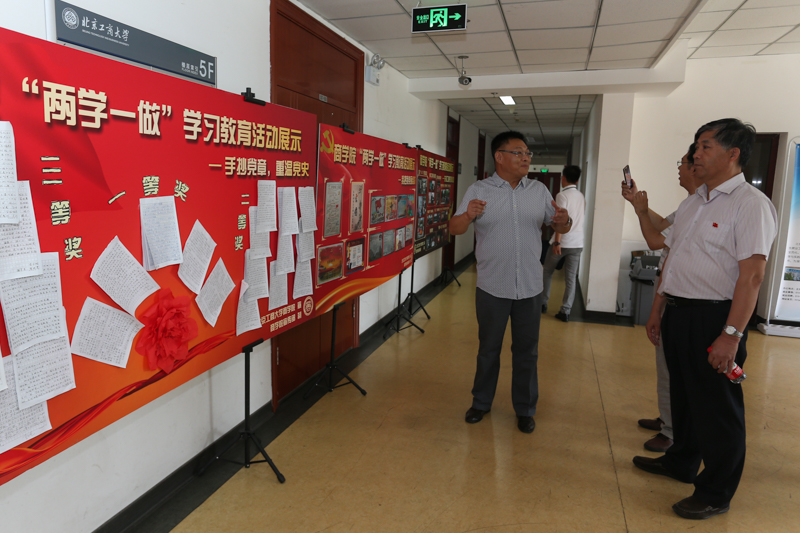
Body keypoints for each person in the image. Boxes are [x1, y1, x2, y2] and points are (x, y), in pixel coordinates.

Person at [632, 119, 777, 520]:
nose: (696, 154)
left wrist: (731, 335)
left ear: (733, 154)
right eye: (696, 146)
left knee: (716, 409)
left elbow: (752, 276)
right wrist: (660, 309)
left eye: (705, 146)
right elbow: (671, 255)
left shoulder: (751, 205)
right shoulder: (694, 202)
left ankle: (715, 491)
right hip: (679, 313)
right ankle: (681, 461)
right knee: (684, 398)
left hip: (715, 318)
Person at [449, 131, 572, 434]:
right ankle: (481, 402)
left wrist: (564, 222)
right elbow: (455, 228)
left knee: (527, 352)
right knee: (488, 349)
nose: (526, 158)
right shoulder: (479, 190)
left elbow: (561, 223)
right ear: (499, 157)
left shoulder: (539, 190)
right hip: (492, 286)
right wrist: (468, 214)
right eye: (518, 152)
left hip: (530, 287)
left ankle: (525, 409)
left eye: (528, 153)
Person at [621, 145, 703, 453]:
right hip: (671, 294)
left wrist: (642, 211)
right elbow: (662, 226)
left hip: (688, 299)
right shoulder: (690, 204)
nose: (679, 168)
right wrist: (637, 203)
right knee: (667, 364)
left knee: (673, 368)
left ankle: (672, 431)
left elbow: (655, 240)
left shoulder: (704, 205)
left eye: (683, 162)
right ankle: (668, 418)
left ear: (695, 167)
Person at [541, 165, 585, 322]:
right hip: (577, 243)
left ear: (563, 178)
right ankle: (566, 311)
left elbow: (560, 220)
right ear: (577, 180)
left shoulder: (562, 195)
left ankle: (542, 303)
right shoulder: (581, 196)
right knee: (571, 278)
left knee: (547, 271)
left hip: (563, 242)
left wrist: (557, 242)